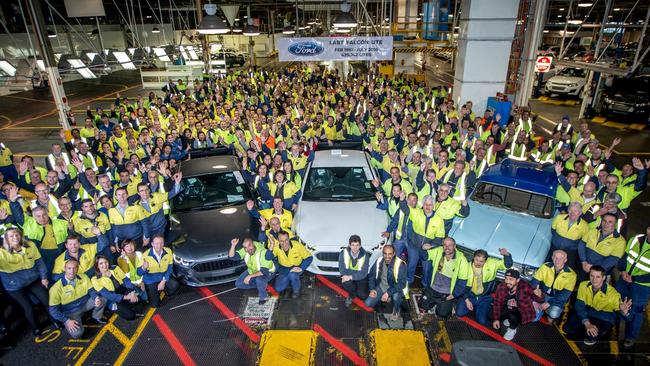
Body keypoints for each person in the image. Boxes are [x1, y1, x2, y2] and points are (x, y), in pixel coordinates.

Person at [563, 265, 632, 346]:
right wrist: (587, 322)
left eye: (598, 277)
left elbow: (628, 319)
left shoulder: (613, 294)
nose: (594, 279)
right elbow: (579, 306)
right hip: (588, 312)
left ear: (603, 278)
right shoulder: (583, 285)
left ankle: (603, 331)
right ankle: (588, 328)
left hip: (604, 317)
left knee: (591, 336)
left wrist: (625, 312)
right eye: (592, 276)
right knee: (567, 329)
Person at [0, 228, 51, 336]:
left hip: (33, 279)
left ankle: (55, 320)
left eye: (17, 234)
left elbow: (39, 262)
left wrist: (44, 278)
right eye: (11, 236)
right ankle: (36, 328)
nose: (15, 237)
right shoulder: (1, 253)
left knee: (46, 301)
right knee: (29, 308)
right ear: (6, 239)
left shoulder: (30, 245)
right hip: (15, 286)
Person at [48, 259, 107, 339]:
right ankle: (77, 320)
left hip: (85, 304)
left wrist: (96, 298)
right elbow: (53, 311)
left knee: (102, 299)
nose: (71, 271)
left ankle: (96, 316)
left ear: (78, 268)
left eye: (74, 268)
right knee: (77, 334)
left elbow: (91, 290)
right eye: (69, 268)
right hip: (71, 312)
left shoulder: (84, 276)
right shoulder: (55, 289)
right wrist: (66, 320)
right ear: (64, 269)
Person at [456, 248, 512, 326]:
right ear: (473, 257)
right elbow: (461, 286)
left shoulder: (492, 263)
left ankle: (482, 309)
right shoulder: (466, 266)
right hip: (470, 295)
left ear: (486, 260)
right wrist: (466, 300)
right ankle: (468, 304)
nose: (478, 263)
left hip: (484, 298)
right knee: (459, 313)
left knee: (482, 321)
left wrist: (507, 255)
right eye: (476, 260)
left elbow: (507, 265)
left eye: (481, 261)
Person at [616, 226, 650, 348]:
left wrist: (634, 278)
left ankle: (630, 337)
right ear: (647, 229)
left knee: (636, 311)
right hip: (624, 278)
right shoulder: (636, 239)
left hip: (642, 287)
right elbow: (624, 257)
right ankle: (612, 327)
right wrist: (622, 270)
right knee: (618, 303)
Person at [419, 237, 469, 318]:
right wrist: (423, 249)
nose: (447, 247)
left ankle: (442, 305)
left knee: (443, 315)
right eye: (445, 245)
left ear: (455, 246)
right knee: (422, 306)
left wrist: (453, 295)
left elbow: (462, 282)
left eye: (450, 245)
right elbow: (424, 257)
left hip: (446, 293)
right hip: (432, 287)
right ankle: (430, 302)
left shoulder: (462, 260)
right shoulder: (438, 250)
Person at [492, 269, 544, 341]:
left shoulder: (525, 287)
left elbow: (537, 298)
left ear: (518, 280)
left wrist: (539, 295)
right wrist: (496, 319)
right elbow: (497, 303)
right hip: (508, 308)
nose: (508, 281)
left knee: (513, 316)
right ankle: (509, 319)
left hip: (521, 311)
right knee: (490, 315)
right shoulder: (501, 286)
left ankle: (512, 328)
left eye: (511, 279)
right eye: (506, 279)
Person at [531, 250, 577, 324]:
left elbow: (565, 295)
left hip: (556, 298)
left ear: (565, 260)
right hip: (542, 295)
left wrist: (548, 303)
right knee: (533, 319)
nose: (557, 260)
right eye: (555, 257)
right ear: (552, 258)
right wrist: (535, 296)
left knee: (554, 313)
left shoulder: (571, 275)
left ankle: (548, 313)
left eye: (560, 258)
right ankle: (542, 309)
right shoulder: (545, 266)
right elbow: (534, 282)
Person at [365, 244, 407, 321]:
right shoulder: (379, 261)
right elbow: (371, 275)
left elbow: (402, 283)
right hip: (381, 286)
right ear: (383, 253)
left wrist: (388, 293)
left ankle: (396, 310)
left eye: (390, 254)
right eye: (385, 254)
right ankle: (386, 297)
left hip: (394, 287)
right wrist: (372, 289)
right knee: (368, 303)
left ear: (394, 253)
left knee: (396, 296)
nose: (387, 257)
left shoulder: (400, 264)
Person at [91, 256, 140, 321]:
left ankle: (127, 303)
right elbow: (107, 295)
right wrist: (127, 297)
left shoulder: (115, 268)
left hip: (123, 290)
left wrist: (132, 292)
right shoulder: (95, 279)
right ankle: (111, 308)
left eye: (106, 262)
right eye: (101, 263)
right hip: (112, 299)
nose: (104, 265)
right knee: (130, 316)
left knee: (137, 300)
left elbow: (126, 280)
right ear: (97, 266)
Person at [229, 237, 276, 304]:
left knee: (259, 280)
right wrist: (233, 245)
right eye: (245, 247)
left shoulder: (263, 252)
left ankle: (264, 296)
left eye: (249, 245)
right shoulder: (245, 250)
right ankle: (261, 285)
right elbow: (232, 257)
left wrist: (249, 276)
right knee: (238, 284)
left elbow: (263, 271)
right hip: (253, 270)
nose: (248, 249)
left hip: (268, 272)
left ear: (253, 244)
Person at [266, 231, 312, 299]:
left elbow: (309, 257)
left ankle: (296, 289)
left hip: (296, 268)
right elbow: (268, 257)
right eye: (281, 241)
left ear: (289, 238)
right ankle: (289, 279)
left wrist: (301, 268)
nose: (284, 243)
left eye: (286, 240)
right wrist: (272, 244)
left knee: (293, 275)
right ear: (278, 240)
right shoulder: (276, 247)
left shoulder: (297, 245)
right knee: (279, 288)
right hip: (284, 269)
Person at [578, 213, 626, 278]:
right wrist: (583, 262)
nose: (606, 224)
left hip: (599, 272)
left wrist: (593, 268)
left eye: (610, 222)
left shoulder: (620, 241)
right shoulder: (593, 230)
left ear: (615, 224)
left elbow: (612, 260)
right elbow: (581, 244)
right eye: (604, 220)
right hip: (583, 265)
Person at [137, 235, 179, 308]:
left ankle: (165, 291)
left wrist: (163, 281)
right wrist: (143, 268)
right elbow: (139, 272)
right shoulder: (145, 255)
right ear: (152, 244)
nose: (159, 246)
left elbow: (169, 267)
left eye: (161, 243)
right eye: (156, 243)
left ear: (163, 243)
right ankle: (153, 291)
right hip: (150, 279)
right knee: (154, 305)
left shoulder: (168, 251)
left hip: (163, 275)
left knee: (174, 285)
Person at [549, 202, 589, 270]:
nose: (572, 213)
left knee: (567, 270)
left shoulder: (585, 226)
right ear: (568, 210)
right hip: (555, 248)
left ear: (580, 213)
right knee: (551, 267)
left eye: (575, 211)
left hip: (570, 252)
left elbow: (583, 241)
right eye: (570, 210)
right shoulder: (559, 217)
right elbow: (553, 230)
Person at [338, 234, 370, 307]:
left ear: (360, 246)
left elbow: (364, 273)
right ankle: (351, 295)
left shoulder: (365, 255)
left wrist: (350, 277)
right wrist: (350, 277)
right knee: (346, 282)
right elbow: (342, 270)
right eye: (353, 245)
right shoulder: (343, 253)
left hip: (361, 278)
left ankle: (355, 289)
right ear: (349, 245)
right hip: (352, 276)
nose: (355, 248)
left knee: (363, 296)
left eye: (357, 245)